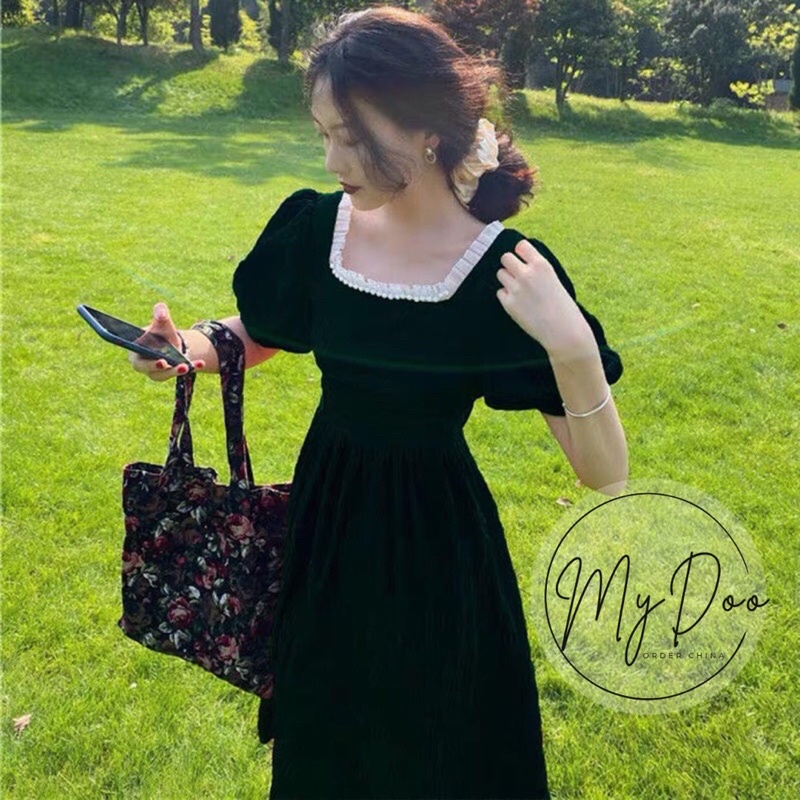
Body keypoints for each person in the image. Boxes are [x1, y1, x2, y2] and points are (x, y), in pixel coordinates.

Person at [130, 6, 627, 798]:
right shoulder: (319, 230)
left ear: (429, 130)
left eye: (354, 137)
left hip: (438, 553)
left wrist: (570, 344)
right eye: (324, 133)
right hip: (327, 530)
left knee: (434, 754)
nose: (334, 159)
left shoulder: (502, 273)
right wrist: (183, 348)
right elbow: (266, 330)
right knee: (327, 745)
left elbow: (604, 472)